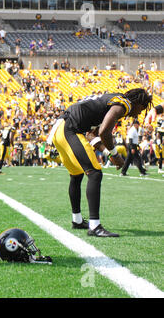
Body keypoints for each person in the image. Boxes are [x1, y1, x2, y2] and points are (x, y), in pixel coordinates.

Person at [48, 88, 153, 237]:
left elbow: (92, 136)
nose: (139, 113)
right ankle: (95, 226)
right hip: (69, 129)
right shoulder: (125, 103)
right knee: (95, 173)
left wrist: (107, 153)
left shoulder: (110, 100)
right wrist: (115, 154)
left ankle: (77, 220)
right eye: (141, 109)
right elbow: (104, 132)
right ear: (137, 102)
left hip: (60, 129)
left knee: (77, 174)